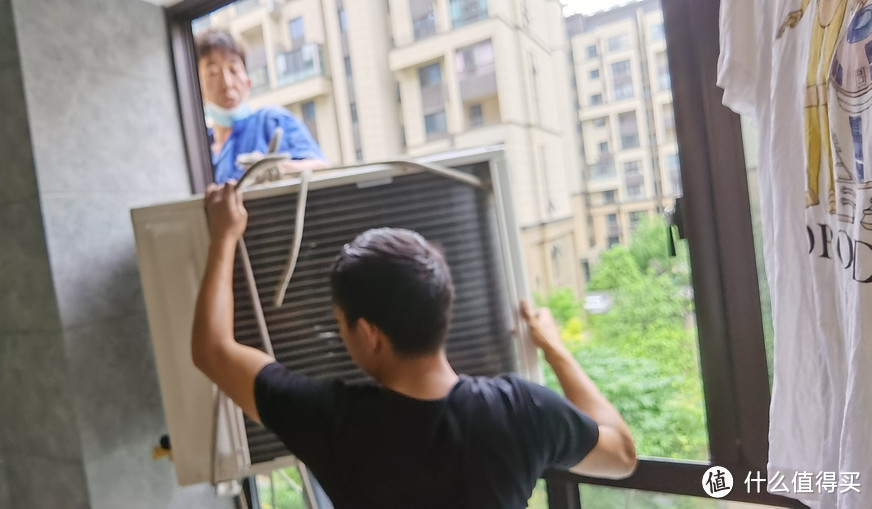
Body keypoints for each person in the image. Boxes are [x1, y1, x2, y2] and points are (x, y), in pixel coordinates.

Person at [192, 182, 637, 508]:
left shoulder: (331, 421)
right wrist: (555, 348)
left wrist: (224, 237)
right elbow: (621, 456)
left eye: (339, 324)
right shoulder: (521, 411)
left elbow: (211, 349)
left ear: (370, 333)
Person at [195, 29, 329, 184]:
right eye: (213, 73)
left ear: (248, 82)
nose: (227, 83)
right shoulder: (198, 149)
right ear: (197, 92)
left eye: (234, 70)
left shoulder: (271, 121)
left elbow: (323, 170)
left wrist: (281, 168)